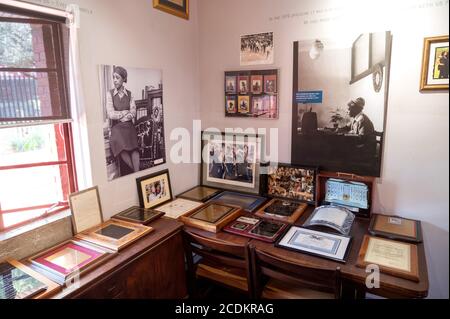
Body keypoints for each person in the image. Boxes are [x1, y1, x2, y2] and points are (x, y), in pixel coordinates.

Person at [106, 66, 140, 173]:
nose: (115, 80)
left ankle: (137, 172)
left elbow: (133, 112)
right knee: (120, 146)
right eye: (113, 77)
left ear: (123, 79)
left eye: (117, 77)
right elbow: (111, 114)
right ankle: (135, 171)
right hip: (117, 127)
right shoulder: (109, 94)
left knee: (134, 148)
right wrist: (124, 113)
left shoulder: (130, 94)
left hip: (129, 126)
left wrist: (124, 115)